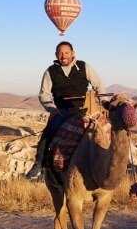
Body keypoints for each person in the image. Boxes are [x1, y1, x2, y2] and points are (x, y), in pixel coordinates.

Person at [26, 41, 103, 179]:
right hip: (62, 111)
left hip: (86, 110)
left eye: (66, 52)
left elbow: (99, 86)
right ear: (56, 55)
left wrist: (104, 104)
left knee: (107, 129)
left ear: (73, 53)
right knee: (49, 131)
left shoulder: (84, 66)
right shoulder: (50, 71)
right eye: (60, 53)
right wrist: (52, 109)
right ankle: (39, 163)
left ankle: (111, 163)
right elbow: (44, 94)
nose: (63, 56)